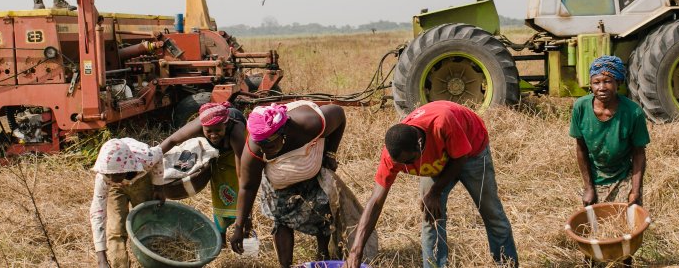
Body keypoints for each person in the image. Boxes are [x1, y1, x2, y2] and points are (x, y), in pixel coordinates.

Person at [347, 100, 519, 268]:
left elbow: (460, 158)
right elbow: (375, 201)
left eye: (409, 161)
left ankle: (506, 263)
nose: (406, 168)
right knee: (430, 217)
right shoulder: (394, 154)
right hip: (438, 158)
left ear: (419, 145)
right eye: (401, 164)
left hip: (472, 151)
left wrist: (435, 192)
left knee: (491, 212)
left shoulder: (442, 122)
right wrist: (356, 250)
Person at [227, 101, 347, 268]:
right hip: (278, 183)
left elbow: (339, 114)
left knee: (322, 212)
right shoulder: (255, 147)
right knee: (281, 218)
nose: (264, 151)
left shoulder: (310, 123)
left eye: (269, 145)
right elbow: (247, 187)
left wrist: (330, 153)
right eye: (261, 146)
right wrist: (239, 227)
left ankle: (323, 255)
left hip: (311, 173)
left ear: (283, 133)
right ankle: (285, 265)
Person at [160, 101, 248, 244]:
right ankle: (221, 238)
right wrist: (150, 158)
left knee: (237, 188)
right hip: (218, 153)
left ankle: (242, 226)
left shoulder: (236, 133)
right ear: (203, 128)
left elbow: (242, 175)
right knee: (220, 191)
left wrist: (245, 213)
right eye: (209, 131)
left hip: (234, 155)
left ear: (225, 125)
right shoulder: (199, 124)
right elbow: (172, 140)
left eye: (218, 130)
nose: (213, 135)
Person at [570, 55, 649, 207]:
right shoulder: (580, 107)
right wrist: (588, 187)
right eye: (596, 82)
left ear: (618, 83)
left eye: (607, 81)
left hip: (624, 175)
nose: (601, 87)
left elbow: (639, 153)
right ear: (591, 85)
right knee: (594, 224)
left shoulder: (633, 112)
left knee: (627, 221)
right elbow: (581, 149)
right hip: (595, 176)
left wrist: (635, 190)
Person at [88, 138, 165, 268]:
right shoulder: (105, 178)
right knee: (115, 229)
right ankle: (120, 264)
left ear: (128, 168)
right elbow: (97, 213)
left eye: (116, 175)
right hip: (114, 189)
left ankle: (151, 261)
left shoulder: (146, 158)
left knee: (145, 221)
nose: (112, 178)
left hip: (141, 180)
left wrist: (158, 187)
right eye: (108, 174)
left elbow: (159, 154)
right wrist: (101, 258)